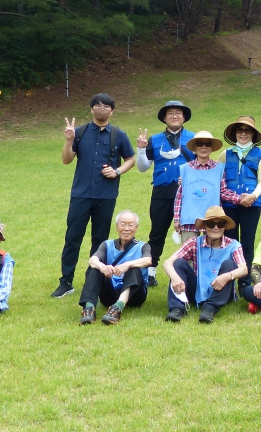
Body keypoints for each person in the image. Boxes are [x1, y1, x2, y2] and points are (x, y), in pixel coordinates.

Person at [53, 93, 136, 299]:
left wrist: (117, 171)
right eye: (97, 105)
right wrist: (69, 140)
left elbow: (130, 159)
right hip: (81, 194)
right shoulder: (79, 132)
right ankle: (66, 282)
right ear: (91, 109)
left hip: (106, 195)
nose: (101, 108)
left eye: (106, 105)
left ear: (112, 111)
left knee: (100, 239)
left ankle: (93, 278)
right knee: (73, 237)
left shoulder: (118, 134)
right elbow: (66, 160)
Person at [135, 100, 194, 287]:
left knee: (188, 233)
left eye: (178, 113)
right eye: (170, 113)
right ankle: (151, 272)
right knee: (157, 232)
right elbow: (143, 167)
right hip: (161, 191)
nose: (174, 116)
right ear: (164, 118)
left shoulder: (194, 139)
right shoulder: (153, 140)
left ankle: (189, 271)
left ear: (184, 117)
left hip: (187, 193)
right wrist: (141, 149)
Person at [163, 206, 247, 324]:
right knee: (178, 263)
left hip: (221, 291)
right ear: (205, 227)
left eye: (220, 224)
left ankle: (210, 309)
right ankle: (177, 308)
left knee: (229, 264)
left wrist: (227, 276)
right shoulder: (194, 242)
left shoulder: (233, 245)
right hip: (197, 288)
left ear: (225, 227)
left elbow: (243, 269)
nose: (216, 228)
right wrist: (175, 278)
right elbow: (167, 262)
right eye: (211, 224)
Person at [78, 210, 152, 326]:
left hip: (135, 295)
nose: (126, 228)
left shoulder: (143, 246)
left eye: (130, 225)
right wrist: (102, 267)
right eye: (123, 224)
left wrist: (128, 264)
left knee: (133, 267)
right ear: (117, 227)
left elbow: (148, 260)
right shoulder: (107, 245)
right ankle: (89, 310)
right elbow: (92, 260)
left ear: (136, 228)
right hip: (110, 294)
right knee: (95, 268)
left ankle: (117, 309)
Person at [219, 116, 261, 267]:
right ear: (235, 133)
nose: (243, 133)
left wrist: (253, 196)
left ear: (253, 134)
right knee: (229, 242)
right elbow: (217, 178)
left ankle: (245, 282)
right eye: (240, 130)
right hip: (229, 206)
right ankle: (230, 279)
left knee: (247, 243)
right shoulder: (225, 154)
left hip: (251, 205)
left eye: (248, 130)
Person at [173, 131, 239, 242]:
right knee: (188, 255)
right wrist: (177, 219)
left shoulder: (219, 168)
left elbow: (222, 191)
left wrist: (240, 199)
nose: (204, 147)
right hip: (189, 219)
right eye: (200, 144)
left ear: (212, 148)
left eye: (208, 144)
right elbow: (180, 196)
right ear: (194, 147)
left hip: (213, 220)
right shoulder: (185, 168)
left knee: (213, 252)